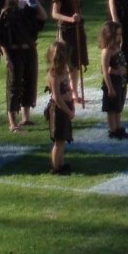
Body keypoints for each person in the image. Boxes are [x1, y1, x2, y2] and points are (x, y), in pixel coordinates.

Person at [0, 0, 47, 132]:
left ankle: (25, 118)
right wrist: (6, 57)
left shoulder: (27, 11)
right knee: (14, 87)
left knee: (30, 83)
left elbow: (43, 17)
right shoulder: (6, 14)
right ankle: (13, 124)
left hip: (29, 51)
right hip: (15, 53)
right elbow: (1, 39)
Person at [51, 0, 87, 107]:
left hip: (78, 29)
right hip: (66, 30)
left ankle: (75, 92)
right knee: (68, 63)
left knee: (77, 63)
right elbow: (54, 13)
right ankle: (67, 93)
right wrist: (70, 19)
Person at [44, 41, 75, 176]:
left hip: (66, 106)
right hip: (59, 109)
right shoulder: (54, 75)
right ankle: (55, 167)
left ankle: (61, 163)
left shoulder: (63, 71)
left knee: (63, 138)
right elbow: (57, 97)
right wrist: (68, 112)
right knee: (59, 140)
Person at [98, 21, 128, 140]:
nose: (119, 36)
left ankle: (118, 128)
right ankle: (112, 130)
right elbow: (104, 70)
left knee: (118, 106)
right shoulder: (107, 51)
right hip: (111, 82)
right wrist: (110, 88)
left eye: (120, 34)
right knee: (111, 109)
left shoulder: (117, 47)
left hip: (120, 81)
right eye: (117, 34)